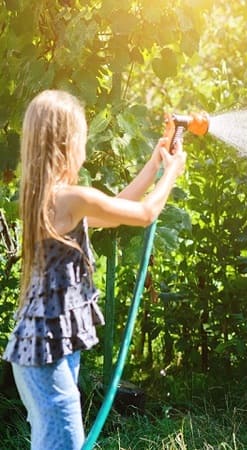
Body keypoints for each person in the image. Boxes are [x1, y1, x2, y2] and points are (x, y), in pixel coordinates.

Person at [2, 89, 187, 450]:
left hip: (47, 347)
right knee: (66, 442)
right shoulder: (69, 198)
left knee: (54, 441)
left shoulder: (48, 197)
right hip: (46, 355)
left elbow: (116, 209)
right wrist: (172, 173)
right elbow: (146, 214)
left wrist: (154, 164)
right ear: (68, 142)